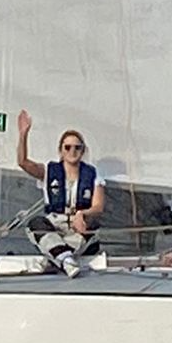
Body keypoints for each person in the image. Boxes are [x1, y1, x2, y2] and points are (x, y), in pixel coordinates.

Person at [16, 109, 106, 278]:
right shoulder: (49, 171)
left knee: (92, 226)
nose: (72, 151)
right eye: (68, 147)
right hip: (55, 224)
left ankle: (58, 256)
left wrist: (82, 213)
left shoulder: (93, 175)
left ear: (83, 151)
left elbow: (98, 206)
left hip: (79, 226)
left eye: (77, 147)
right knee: (36, 224)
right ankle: (66, 258)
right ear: (61, 151)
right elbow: (23, 162)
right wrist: (23, 134)